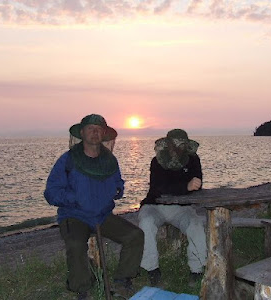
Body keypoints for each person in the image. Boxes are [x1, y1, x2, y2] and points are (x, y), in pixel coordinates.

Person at [44, 114, 144, 300]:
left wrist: (117, 190)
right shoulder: (67, 160)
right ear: (82, 132)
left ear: (104, 134)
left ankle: (122, 281)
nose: (95, 132)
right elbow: (51, 192)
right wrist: (75, 197)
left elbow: (118, 182)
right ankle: (81, 288)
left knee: (135, 236)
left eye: (98, 129)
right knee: (75, 244)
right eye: (90, 128)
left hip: (102, 215)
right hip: (74, 215)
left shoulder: (110, 161)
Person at [138, 129, 207, 286]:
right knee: (146, 223)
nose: (177, 149)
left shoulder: (193, 160)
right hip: (154, 206)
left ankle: (197, 270)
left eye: (181, 145)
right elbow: (159, 187)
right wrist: (185, 186)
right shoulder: (156, 162)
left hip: (182, 208)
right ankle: (152, 269)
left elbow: (198, 183)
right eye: (174, 145)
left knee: (196, 225)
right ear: (167, 145)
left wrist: (194, 185)